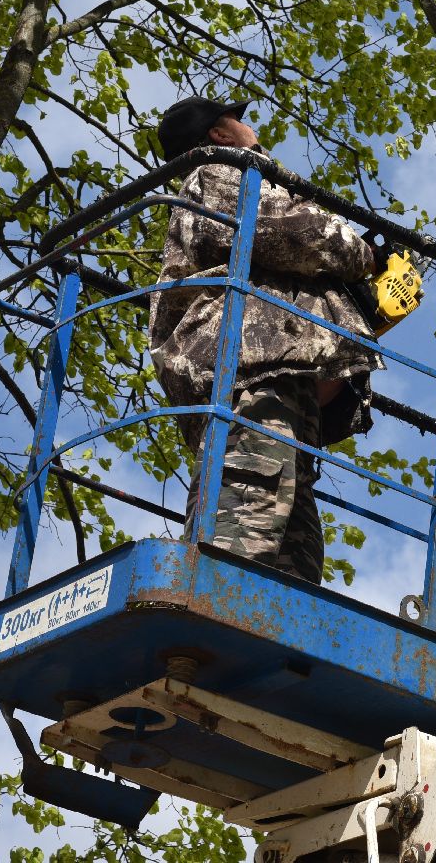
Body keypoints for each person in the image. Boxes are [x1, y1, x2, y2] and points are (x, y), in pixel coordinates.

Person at [148, 96, 382, 583]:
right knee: (242, 518)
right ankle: (208, 603)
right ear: (219, 134)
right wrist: (362, 254)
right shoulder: (218, 173)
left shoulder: (231, 179)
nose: (250, 126)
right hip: (249, 377)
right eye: (238, 119)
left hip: (274, 373)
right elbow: (296, 231)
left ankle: (265, 616)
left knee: (294, 550)